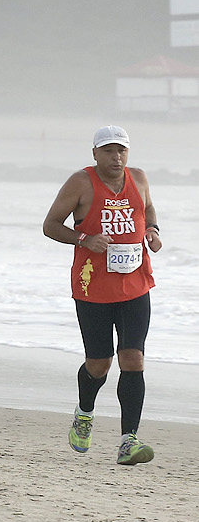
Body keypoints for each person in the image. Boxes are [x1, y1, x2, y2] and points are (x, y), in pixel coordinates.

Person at [42, 125, 162, 466]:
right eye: (108, 151)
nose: (116, 157)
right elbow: (50, 225)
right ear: (95, 154)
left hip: (135, 286)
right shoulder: (81, 183)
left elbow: (149, 210)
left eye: (121, 150)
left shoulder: (138, 178)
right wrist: (83, 239)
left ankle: (129, 442)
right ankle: (84, 413)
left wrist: (152, 230)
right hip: (92, 287)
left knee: (133, 359)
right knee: (99, 363)